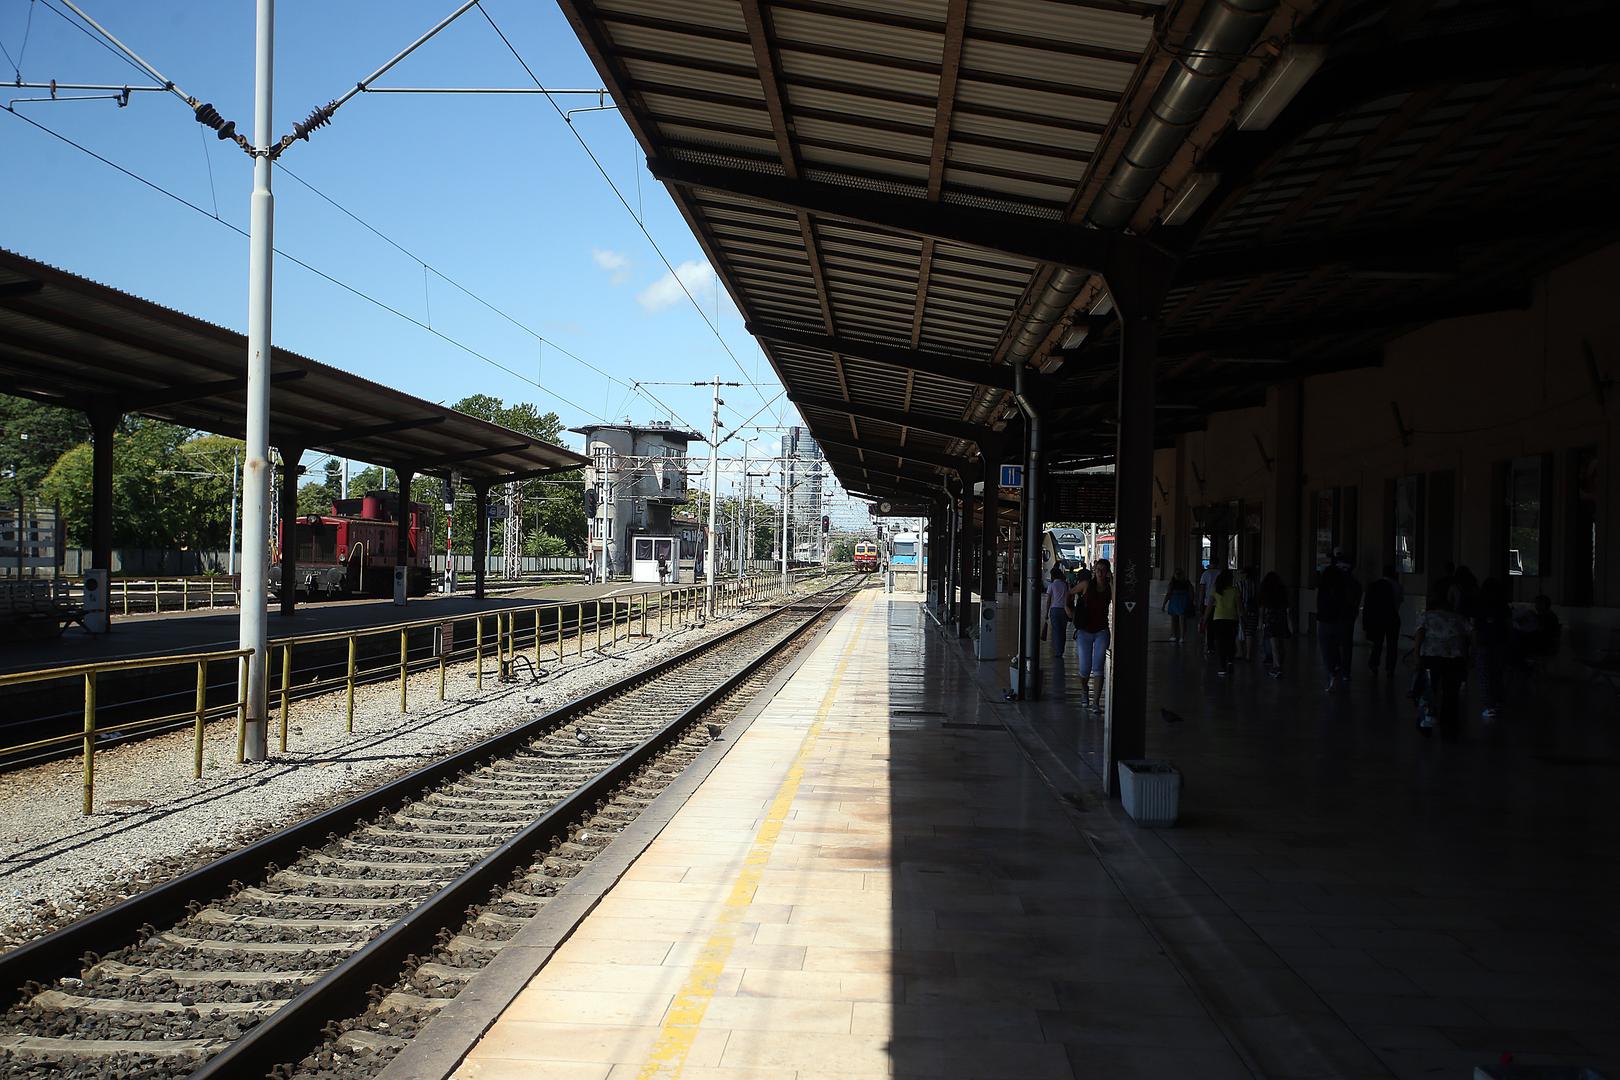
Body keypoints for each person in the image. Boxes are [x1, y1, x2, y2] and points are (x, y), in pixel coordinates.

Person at [1411, 584, 1470, 738]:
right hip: (1455, 659)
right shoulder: (1458, 618)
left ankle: (1426, 722)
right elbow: (1469, 635)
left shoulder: (1426, 616)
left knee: (1429, 690)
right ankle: (1449, 726)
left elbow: (1420, 635)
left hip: (1431, 657)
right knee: (1451, 693)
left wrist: (1416, 656)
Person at [1315, 547, 1361, 691]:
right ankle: (1343, 671)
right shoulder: (1352, 582)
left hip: (1329, 619)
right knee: (1345, 644)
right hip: (1344, 619)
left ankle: (1334, 670)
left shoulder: (1327, 580)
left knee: (1328, 647)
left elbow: (1320, 602)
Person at [1072, 559, 1112, 712]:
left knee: (1098, 667)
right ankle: (1084, 690)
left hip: (1102, 631)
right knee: (1084, 668)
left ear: (1108, 572)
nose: (1100, 572)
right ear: (1094, 570)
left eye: (1103, 570)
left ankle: (1095, 702)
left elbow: (1116, 600)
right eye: (1098, 569)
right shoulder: (1087, 585)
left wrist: (1112, 582)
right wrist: (1069, 611)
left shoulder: (1109, 587)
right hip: (1084, 631)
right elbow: (1070, 593)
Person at [1473, 577, 1511, 720]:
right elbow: (1509, 625)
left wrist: (1473, 647)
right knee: (1498, 673)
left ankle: (1489, 706)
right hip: (1500, 643)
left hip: (1483, 643)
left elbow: (1475, 628)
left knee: (1484, 675)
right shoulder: (1503, 607)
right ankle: (1498, 700)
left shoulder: (1479, 606)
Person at [1362, 565, 1403, 676]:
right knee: (1392, 645)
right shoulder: (1397, 586)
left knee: (1377, 643)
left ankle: (1374, 664)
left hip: (1378, 619)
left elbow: (1368, 604)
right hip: (1393, 618)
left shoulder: (1375, 585)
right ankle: (1390, 668)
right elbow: (1398, 603)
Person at [1206, 570, 1241, 676]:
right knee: (1231, 641)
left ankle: (1222, 666)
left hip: (1218, 619)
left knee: (1220, 642)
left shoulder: (1216, 590)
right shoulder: (1235, 590)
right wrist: (1242, 617)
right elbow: (1239, 606)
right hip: (1232, 619)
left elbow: (1209, 606)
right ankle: (1230, 660)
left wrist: (1204, 618)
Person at [1258, 571, 1292, 679]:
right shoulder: (1282, 591)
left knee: (1274, 645)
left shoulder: (1266, 592)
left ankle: (1276, 666)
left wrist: (1260, 622)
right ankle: (1279, 664)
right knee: (1281, 643)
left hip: (1271, 619)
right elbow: (1287, 607)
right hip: (1281, 618)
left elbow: (1262, 609)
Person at [1041, 565, 1070, 658]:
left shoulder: (1052, 585)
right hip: (1064, 610)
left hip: (1054, 610)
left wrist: (1046, 613)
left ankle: (1058, 651)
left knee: (1056, 631)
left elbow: (1049, 600)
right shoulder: (1065, 585)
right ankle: (1061, 650)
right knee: (1063, 631)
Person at [1163, 568, 1193, 644]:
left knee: (1174, 619)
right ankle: (1182, 637)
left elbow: (1168, 594)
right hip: (1183, 601)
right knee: (1182, 620)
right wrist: (1191, 601)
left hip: (1174, 601)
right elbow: (1191, 592)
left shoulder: (1172, 583)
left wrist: (1164, 604)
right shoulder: (1187, 582)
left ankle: (1174, 635)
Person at [1238, 567, 1261, 662]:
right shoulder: (1256, 585)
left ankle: (1240, 652)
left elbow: (1238, 598)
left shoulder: (1239, 584)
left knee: (1240, 631)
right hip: (1253, 610)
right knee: (1249, 633)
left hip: (1241, 610)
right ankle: (1248, 654)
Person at [1197, 561, 1221, 655]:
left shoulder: (1205, 574)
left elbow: (1202, 589)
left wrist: (1200, 602)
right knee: (1218, 624)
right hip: (1220, 603)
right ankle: (1218, 643)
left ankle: (1210, 646)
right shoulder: (1220, 573)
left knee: (1209, 625)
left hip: (1208, 602)